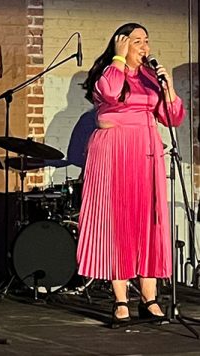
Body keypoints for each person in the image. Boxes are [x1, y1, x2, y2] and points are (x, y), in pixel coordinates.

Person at [76, 22, 186, 326]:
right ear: (121, 43)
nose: (144, 46)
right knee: (119, 222)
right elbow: (110, 94)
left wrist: (168, 87)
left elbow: (173, 117)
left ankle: (149, 298)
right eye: (136, 40)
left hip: (146, 154)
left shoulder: (152, 79)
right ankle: (121, 299)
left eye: (146, 41)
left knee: (148, 223)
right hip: (114, 153)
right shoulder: (109, 74)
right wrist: (119, 58)